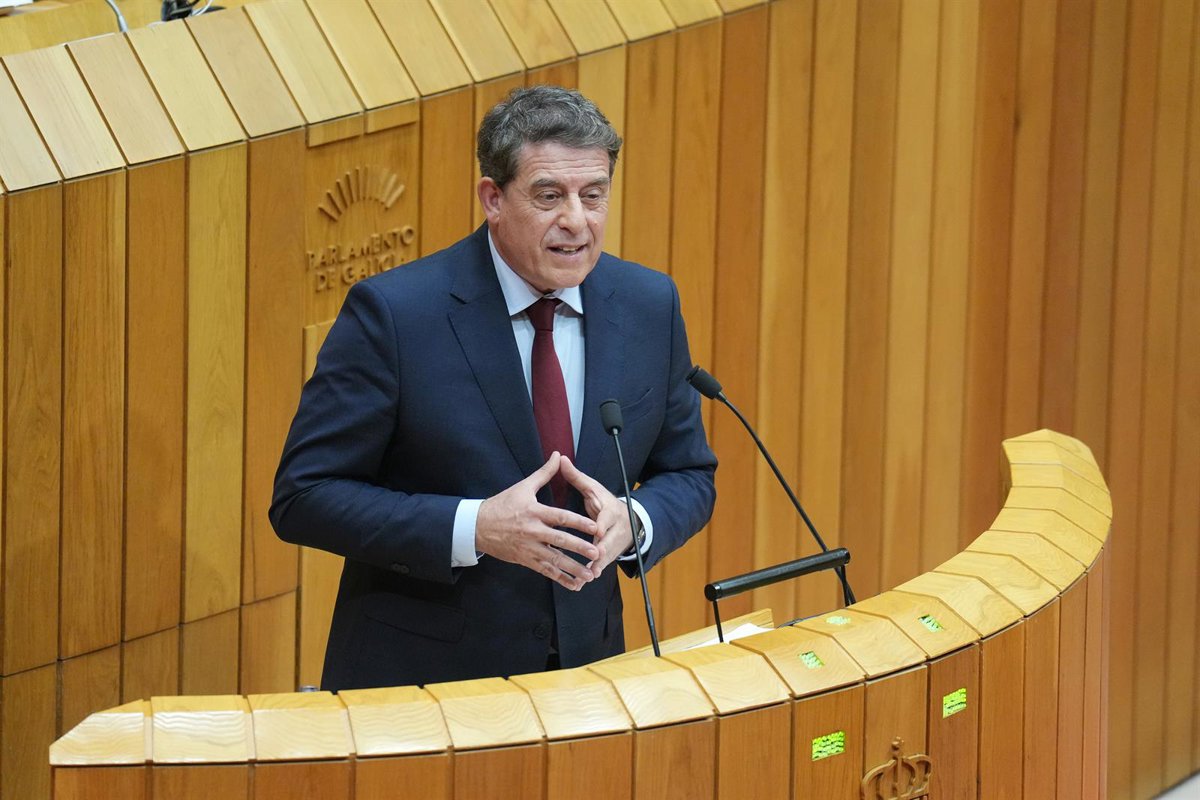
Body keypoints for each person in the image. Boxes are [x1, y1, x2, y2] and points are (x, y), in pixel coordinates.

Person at [270, 86, 716, 691]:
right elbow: (305, 496)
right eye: (549, 196)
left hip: (587, 675)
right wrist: (475, 527)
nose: (577, 221)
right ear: (493, 198)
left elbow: (688, 473)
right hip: (424, 686)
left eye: (593, 195)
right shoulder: (397, 315)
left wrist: (633, 521)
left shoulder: (647, 304)